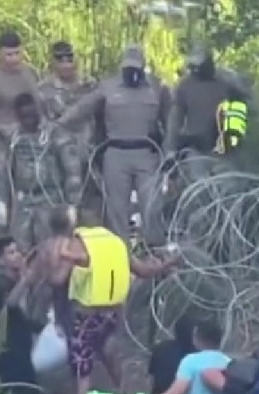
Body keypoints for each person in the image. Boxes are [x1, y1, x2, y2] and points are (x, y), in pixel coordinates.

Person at [6, 206, 178, 394]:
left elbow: (56, 279)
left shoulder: (70, 247)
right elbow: (145, 271)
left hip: (82, 316)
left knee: (82, 375)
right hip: (109, 315)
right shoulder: (115, 244)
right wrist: (166, 264)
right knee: (111, 357)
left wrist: (29, 283)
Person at [54, 44, 172, 246]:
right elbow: (84, 108)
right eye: (128, 69)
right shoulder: (108, 87)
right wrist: (59, 124)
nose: (131, 73)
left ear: (143, 66)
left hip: (147, 152)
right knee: (116, 211)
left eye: (135, 69)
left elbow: (171, 121)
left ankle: (155, 255)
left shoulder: (157, 87)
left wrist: (169, 151)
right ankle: (121, 258)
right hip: (115, 153)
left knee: (151, 208)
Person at [0, 30, 43, 226]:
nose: (13, 59)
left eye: (17, 54)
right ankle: (6, 242)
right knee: (6, 199)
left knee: (31, 195)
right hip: (3, 148)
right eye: (8, 55)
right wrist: (0, 128)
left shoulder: (31, 75)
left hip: (31, 146)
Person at [0, 236, 48, 394]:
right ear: (0, 261)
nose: (17, 256)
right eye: (10, 253)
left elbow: (22, 316)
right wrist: (26, 280)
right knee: (18, 390)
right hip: (9, 347)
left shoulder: (14, 280)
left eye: (17, 251)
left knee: (27, 389)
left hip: (20, 344)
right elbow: (10, 305)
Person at [5, 93, 83, 248]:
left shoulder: (56, 135)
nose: (27, 120)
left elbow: (73, 172)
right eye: (23, 116)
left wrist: (71, 204)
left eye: (31, 115)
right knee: (19, 248)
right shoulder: (15, 137)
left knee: (49, 247)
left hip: (50, 201)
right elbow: (5, 171)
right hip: (23, 201)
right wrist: (2, 201)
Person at [37, 41, 100, 220]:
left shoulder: (90, 85)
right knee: (65, 199)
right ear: (53, 62)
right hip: (59, 152)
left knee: (92, 200)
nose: (66, 63)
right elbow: (41, 122)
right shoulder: (43, 89)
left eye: (69, 58)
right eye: (60, 59)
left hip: (89, 149)